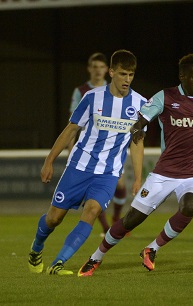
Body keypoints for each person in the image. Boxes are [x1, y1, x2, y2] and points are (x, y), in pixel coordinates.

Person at [78, 53, 193, 277]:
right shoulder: (166, 96)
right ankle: (96, 257)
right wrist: (138, 127)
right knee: (132, 220)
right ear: (182, 76)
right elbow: (142, 118)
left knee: (190, 206)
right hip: (164, 173)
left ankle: (152, 248)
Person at [28, 49, 147, 275]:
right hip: (78, 167)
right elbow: (71, 129)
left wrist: (138, 178)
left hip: (108, 173)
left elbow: (137, 142)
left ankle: (59, 262)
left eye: (131, 75)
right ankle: (36, 248)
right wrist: (49, 161)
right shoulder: (92, 98)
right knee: (54, 219)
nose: (127, 80)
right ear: (111, 72)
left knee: (92, 211)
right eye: (123, 74)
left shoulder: (141, 104)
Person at [68, 52, 128, 237]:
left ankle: (116, 219)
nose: (98, 70)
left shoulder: (115, 89)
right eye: (95, 67)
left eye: (102, 67)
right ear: (89, 69)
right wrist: (71, 148)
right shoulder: (81, 91)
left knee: (121, 185)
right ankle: (105, 227)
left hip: (112, 148)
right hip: (89, 150)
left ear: (107, 70)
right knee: (93, 191)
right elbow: (73, 123)